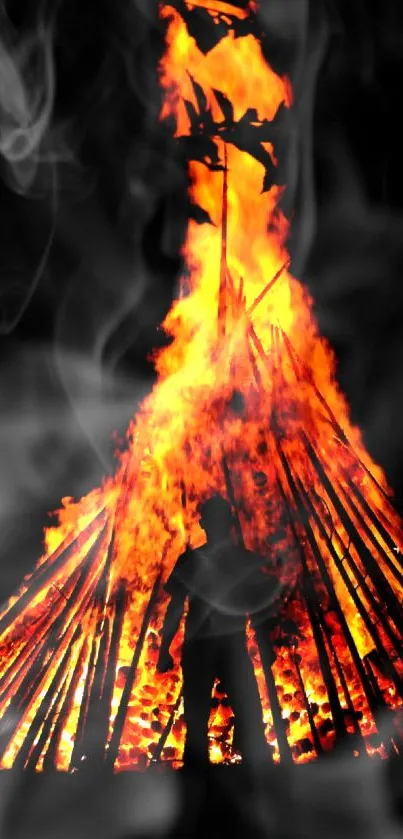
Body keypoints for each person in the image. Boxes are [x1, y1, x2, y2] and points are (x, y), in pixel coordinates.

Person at [156, 493, 281, 769]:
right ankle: (205, 776)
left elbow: (257, 607)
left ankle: (248, 772)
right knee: (205, 716)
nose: (216, 525)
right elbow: (175, 607)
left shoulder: (231, 561)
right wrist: (164, 649)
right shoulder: (195, 560)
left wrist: (265, 645)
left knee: (241, 710)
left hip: (225, 646)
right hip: (206, 647)